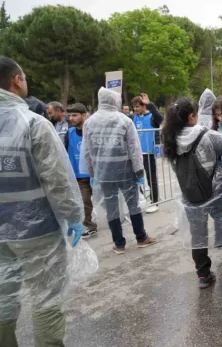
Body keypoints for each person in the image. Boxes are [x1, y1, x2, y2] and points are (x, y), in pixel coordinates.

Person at [0, 57, 98, 347]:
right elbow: (57, 180)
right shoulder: (33, 124)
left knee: (3, 295)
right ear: (17, 80)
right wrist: (73, 218)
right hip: (37, 231)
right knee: (46, 297)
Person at [162, 98, 222, 289]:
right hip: (217, 192)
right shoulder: (207, 135)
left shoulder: (170, 139)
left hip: (190, 195)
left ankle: (204, 275)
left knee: (198, 235)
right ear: (191, 116)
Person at [84, 88, 158, 254]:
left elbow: (87, 150)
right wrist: (139, 171)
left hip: (103, 173)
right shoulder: (124, 121)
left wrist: (92, 173)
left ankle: (119, 243)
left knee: (111, 208)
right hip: (125, 170)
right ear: (114, 101)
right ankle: (141, 237)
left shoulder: (90, 122)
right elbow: (134, 148)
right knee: (133, 204)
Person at [63, 103, 97, 237]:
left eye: (75, 115)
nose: (71, 118)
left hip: (96, 173)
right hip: (80, 175)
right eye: (70, 115)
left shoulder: (93, 131)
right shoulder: (69, 133)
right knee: (84, 201)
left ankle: (117, 220)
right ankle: (90, 225)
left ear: (84, 115)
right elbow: (65, 152)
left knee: (108, 200)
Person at [132, 93, 164, 213]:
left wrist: (150, 105)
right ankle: (141, 199)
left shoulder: (152, 116)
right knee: (136, 178)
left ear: (143, 106)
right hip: (136, 153)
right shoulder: (134, 117)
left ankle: (155, 201)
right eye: (134, 107)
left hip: (148, 153)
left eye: (138, 107)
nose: (135, 109)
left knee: (151, 179)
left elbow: (160, 120)